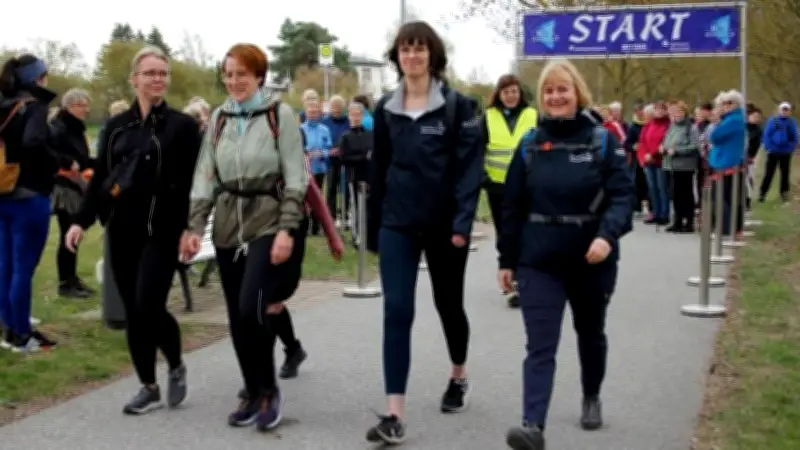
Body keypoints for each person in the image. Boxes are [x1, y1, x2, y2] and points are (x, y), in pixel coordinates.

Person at [497, 58, 633, 450]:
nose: (556, 97)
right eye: (549, 91)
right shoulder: (529, 145)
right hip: (539, 261)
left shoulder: (602, 141)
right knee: (540, 344)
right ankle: (532, 425)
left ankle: (591, 395)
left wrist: (607, 237)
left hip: (592, 260)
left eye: (563, 89)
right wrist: (506, 260)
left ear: (578, 94)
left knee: (590, 333)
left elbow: (623, 196)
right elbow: (511, 207)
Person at [365, 20, 483, 445]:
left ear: (433, 54)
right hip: (398, 223)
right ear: (396, 57)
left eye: (419, 48)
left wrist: (462, 224)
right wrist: (374, 226)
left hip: (444, 227)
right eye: (404, 49)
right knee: (397, 311)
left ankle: (458, 374)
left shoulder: (459, 107)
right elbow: (378, 171)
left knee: (448, 305)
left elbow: (470, 172)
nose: (411, 56)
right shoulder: (385, 109)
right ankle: (394, 414)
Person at [64, 46, 200, 414]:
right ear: (134, 79)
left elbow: (194, 182)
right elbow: (101, 180)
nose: (157, 78)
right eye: (150, 73)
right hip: (122, 231)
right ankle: (148, 385)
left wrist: (190, 227)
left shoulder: (183, 127)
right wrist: (80, 220)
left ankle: (174, 363)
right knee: (133, 312)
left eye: (163, 73)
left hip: (162, 230)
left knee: (148, 305)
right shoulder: (115, 126)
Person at [181, 43, 308, 432]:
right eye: (228, 73)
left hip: (267, 220)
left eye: (242, 74)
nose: (233, 80)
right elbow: (205, 175)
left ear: (258, 77)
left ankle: (269, 390)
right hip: (226, 226)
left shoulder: (278, 114)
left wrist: (287, 228)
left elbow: (295, 175)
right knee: (238, 315)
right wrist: (193, 226)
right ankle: (252, 389)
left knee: (254, 303)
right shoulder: (218, 117)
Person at [0, 54, 59, 352]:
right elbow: (34, 142)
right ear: (37, 78)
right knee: (23, 268)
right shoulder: (34, 107)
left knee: (5, 265)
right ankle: (22, 334)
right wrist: (56, 162)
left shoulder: (3, 105)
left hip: (3, 194)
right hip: (29, 195)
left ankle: (10, 328)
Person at [481, 73, 538, 309]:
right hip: (498, 187)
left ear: (520, 92)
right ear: (499, 94)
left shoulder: (532, 115)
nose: (511, 96)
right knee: (505, 236)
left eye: (514, 91)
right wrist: (483, 177)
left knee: (527, 234)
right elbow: (478, 149)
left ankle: (526, 281)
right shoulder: (488, 117)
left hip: (527, 186)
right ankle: (510, 282)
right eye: (506, 92)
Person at [49, 88, 96, 298]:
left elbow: (83, 157)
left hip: (76, 184)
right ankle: (65, 283)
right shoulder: (58, 127)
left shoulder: (75, 128)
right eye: (83, 105)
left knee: (74, 234)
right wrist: (67, 162)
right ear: (71, 106)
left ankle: (72, 278)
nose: (87, 109)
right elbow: (48, 152)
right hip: (64, 186)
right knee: (68, 232)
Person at [708, 90, 746, 237]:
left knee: (728, 197)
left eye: (730, 103)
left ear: (737, 104)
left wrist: (717, 122)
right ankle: (727, 226)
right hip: (721, 160)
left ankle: (732, 227)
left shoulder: (734, 120)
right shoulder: (728, 119)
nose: (726, 106)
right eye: (723, 103)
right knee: (723, 196)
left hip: (729, 162)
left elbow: (715, 136)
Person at [338, 101, 373, 246]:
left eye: (359, 114)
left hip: (368, 176)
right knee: (356, 206)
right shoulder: (345, 137)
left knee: (368, 206)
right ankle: (356, 235)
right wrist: (363, 157)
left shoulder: (370, 135)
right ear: (349, 116)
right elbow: (344, 157)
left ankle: (368, 234)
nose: (356, 117)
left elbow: (373, 153)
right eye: (353, 115)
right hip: (353, 176)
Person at [662, 100, 700, 233]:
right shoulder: (672, 126)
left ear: (685, 112)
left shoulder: (691, 127)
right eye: (673, 112)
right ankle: (677, 221)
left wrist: (678, 150)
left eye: (679, 111)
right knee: (675, 195)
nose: (676, 114)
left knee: (686, 194)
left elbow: (695, 146)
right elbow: (667, 140)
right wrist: (664, 147)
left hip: (685, 166)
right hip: (672, 165)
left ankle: (689, 222)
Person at [300, 98, 332, 235]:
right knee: (304, 198)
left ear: (319, 113)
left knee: (318, 198)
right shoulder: (300, 129)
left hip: (319, 169)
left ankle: (316, 226)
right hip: (305, 169)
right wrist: (306, 152)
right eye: (310, 111)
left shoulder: (324, 129)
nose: (313, 113)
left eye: (315, 111)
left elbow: (329, 148)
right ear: (306, 112)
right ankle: (305, 226)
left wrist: (322, 153)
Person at [636, 101, 671, 225]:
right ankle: (655, 212)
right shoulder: (648, 125)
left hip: (660, 160)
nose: (659, 112)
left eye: (662, 109)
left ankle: (664, 214)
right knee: (652, 188)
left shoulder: (668, 125)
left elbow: (665, 142)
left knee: (662, 188)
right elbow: (642, 142)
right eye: (657, 109)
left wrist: (653, 154)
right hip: (648, 160)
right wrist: (644, 156)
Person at [759, 101, 797, 204]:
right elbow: (766, 136)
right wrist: (769, 148)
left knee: (785, 174)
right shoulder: (773, 121)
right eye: (783, 109)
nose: (785, 112)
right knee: (769, 174)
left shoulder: (791, 122)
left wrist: (791, 148)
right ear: (779, 110)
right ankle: (762, 194)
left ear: (789, 111)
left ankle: (784, 195)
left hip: (785, 153)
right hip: (773, 152)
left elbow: (795, 137)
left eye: (787, 110)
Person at [322, 95, 352, 226]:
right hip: (330, 159)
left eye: (339, 108)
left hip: (345, 159)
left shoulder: (348, 121)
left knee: (345, 187)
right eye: (334, 107)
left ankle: (345, 214)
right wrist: (329, 150)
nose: (336, 110)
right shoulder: (325, 122)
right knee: (331, 188)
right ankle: (331, 216)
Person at [624, 104, 646, 214]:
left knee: (647, 183)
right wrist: (633, 146)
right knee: (636, 181)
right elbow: (627, 143)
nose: (640, 113)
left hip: (647, 157)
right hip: (636, 158)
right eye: (638, 111)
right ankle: (637, 205)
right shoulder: (633, 126)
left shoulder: (648, 124)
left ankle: (649, 204)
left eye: (642, 111)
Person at [694, 103, 713, 210]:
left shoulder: (711, 124)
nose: (701, 113)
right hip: (699, 156)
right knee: (699, 179)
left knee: (708, 179)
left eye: (703, 111)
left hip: (709, 155)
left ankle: (709, 201)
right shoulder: (698, 125)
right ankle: (700, 201)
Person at [745, 105, 763, 211]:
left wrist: (753, 157)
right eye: (753, 116)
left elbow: (757, 145)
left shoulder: (758, 130)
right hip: (742, 157)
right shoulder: (744, 127)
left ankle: (748, 201)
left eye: (757, 117)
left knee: (749, 180)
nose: (755, 118)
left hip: (751, 158)